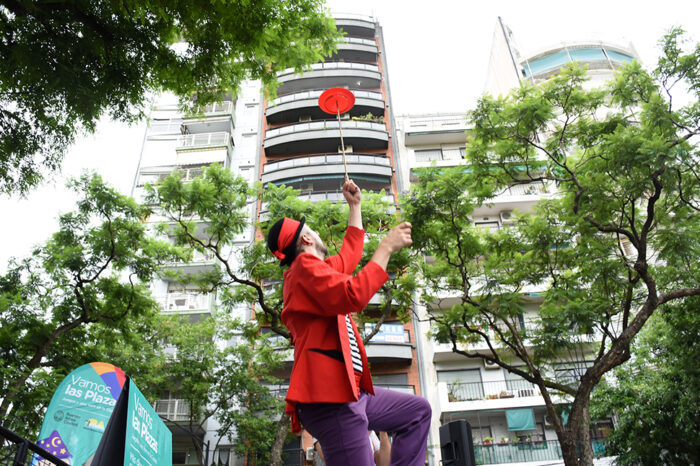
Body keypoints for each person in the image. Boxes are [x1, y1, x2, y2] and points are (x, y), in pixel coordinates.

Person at [267, 178, 431, 466]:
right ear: (306, 239)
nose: (316, 232)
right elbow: (353, 294)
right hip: (332, 402)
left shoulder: (314, 273)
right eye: (312, 230)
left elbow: (350, 255)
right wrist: (386, 247)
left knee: (418, 412)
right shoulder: (302, 269)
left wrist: (355, 206)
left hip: (351, 393)